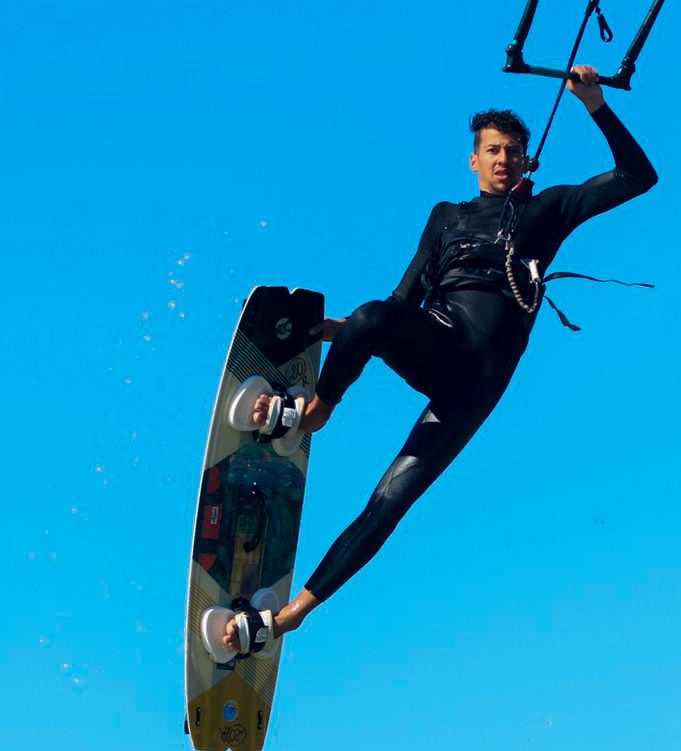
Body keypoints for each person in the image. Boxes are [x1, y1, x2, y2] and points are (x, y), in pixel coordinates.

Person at [206, 64, 658, 663]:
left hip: (479, 381)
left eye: (514, 152)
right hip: (441, 344)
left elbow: (638, 176)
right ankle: (312, 415)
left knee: (392, 498)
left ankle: (283, 620)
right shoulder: (446, 216)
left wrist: (594, 104)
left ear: (527, 161)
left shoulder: (547, 210)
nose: (504, 159)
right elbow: (400, 304)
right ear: (474, 160)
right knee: (370, 314)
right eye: (494, 150)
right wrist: (346, 332)